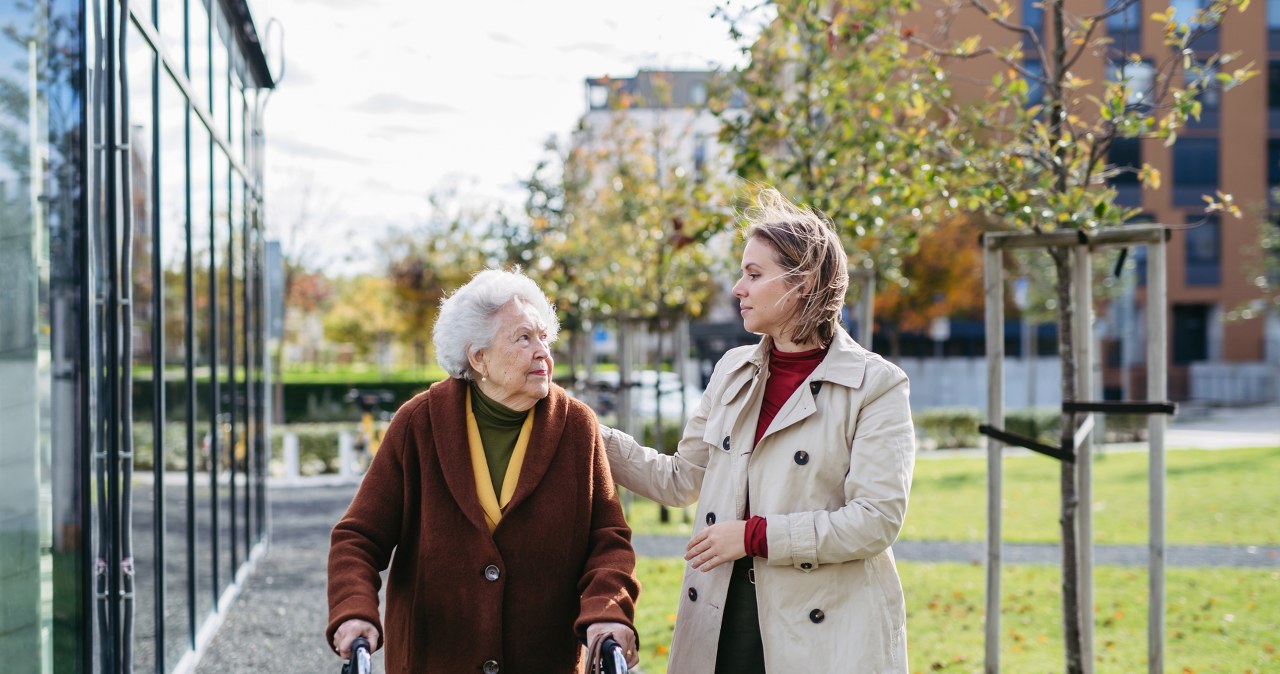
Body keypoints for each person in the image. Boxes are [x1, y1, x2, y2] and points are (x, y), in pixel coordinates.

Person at [602, 189, 917, 673]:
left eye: (754, 274)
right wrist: (581, 425)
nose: (737, 288)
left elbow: (875, 520)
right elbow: (680, 479)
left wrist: (755, 536)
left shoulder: (876, 385)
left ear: (803, 283)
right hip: (721, 615)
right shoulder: (732, 369)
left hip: (825, 630)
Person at [327, 268, 641, 673]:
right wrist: (354, 610)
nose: (543, 352)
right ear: (479, 358)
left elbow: (608, 541)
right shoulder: (418, 424)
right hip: (433, 660)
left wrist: (608, 609)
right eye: (524, 338)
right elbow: (358, 537)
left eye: (544, 337)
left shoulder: (576, 426)